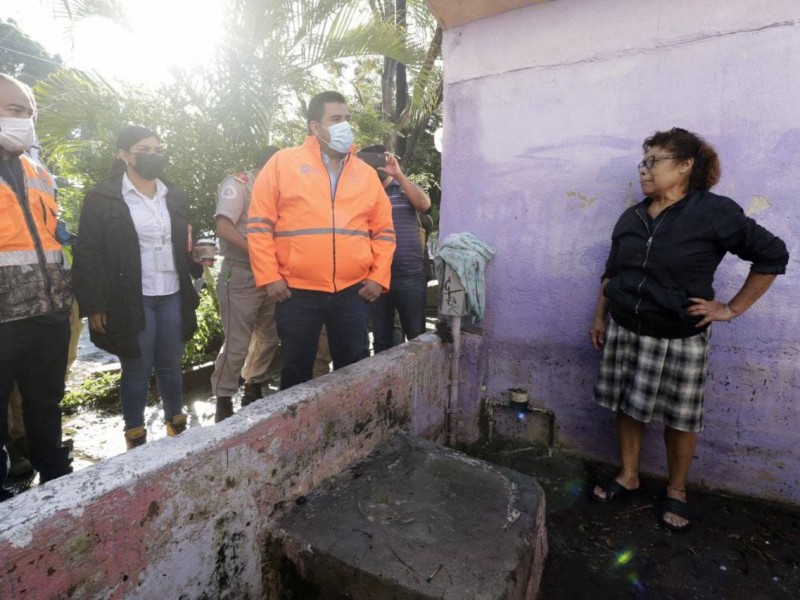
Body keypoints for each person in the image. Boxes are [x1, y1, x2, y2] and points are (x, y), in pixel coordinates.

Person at [588, 128, 789, 532]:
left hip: (679, 335)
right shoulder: (633, 216)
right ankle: (629, 474)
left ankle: (677, 490)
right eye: (642, 162)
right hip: (627, 328)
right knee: (628, 405)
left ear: (684, 166)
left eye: (653, 161)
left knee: (680, 417)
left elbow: (772, 254)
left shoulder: (713, 212)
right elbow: (613, 274)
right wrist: (599, 317)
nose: (644, 171)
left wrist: (731, 308)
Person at [248, 90, 395, 390]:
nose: (345, 125)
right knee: (296, 369)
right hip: (296, 292)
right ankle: (295, 434)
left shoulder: (365, 174)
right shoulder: (282, 164)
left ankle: (351, 430)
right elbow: (259, 224)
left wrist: (378, 277)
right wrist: (269, 276)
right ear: (315, 127)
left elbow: (384, 232)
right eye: (336, 119)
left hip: (353, 292)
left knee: (353, 367)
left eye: (347, 119)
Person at [72, 126, 201, 450]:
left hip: (171, 293)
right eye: (145, 149)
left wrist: (195, 257)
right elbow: (88, 252)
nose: (153, 155)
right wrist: (93, 304)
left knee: (171, 364)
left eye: (158, 149)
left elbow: (182, 243)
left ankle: (177, 426)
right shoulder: (104, 198)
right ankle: (135, 436)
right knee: (137, 368)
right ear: (124, 155)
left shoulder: (173, 194)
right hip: (131, 297)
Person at [0, 74, 73, 500]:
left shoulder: (38, 171)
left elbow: (51, 235)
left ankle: (58, 480)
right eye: (13, 110)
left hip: (48, 312)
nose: (23, 121)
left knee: (46, 404)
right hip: (3, 319)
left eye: (28, 113)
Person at [211, 147, 280, 422]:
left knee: (267, 336)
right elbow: (224, 227)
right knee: (237, 341)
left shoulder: (279, 190)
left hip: (272, 275)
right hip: (241, 273)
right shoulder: (238, 185)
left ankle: (253, 386)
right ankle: (224, 395)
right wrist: (258, 252)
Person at [361, 144, 432, 353]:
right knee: (382, 339)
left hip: (410, 275)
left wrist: (398, 174)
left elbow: (424, 204)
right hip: (377, 278)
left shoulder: (403, 188)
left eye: (377, 161)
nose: (374, 168)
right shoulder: (364, 194)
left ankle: (420, 383)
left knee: (417, 336)